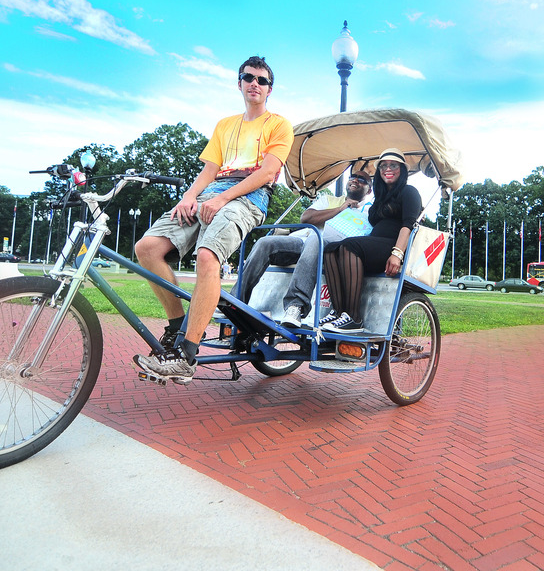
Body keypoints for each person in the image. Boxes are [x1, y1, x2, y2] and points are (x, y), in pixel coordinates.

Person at [132, 56, 293, 383]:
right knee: (146, 248)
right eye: (248, 78)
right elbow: (209, 171)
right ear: (239, 83)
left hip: (249, 195)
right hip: (212, 191)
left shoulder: (279, 125)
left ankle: (186, 356)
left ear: (269, 89)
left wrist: (222, 199)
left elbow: (267, 172)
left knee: (207, 255)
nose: (254, 84)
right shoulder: (225, 125)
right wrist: (189, 197)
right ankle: (177, 329)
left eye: (261, 80)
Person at [235, 169, 373, 327]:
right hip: (304, 240)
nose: (355, 180)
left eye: (362, 180)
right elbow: (306, 218)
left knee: (316, 239)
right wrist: (340, 209)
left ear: (369, 189)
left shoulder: (369, 210)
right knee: (265, 242)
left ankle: (296, 306)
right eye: (353, 177)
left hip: (332, 248)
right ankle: (237, 299)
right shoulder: (329, 200)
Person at [320, 148, 421, 332]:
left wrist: (397, 254)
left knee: (350, 246)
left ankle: (353, 318)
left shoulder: (409, 192)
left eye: (393, 165)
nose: (387, 169)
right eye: (383, 166)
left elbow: (408, 225)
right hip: (375, 244)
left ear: (402, 169)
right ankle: (338, 312)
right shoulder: (380, 198)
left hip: (393, 245)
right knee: (330, 249)